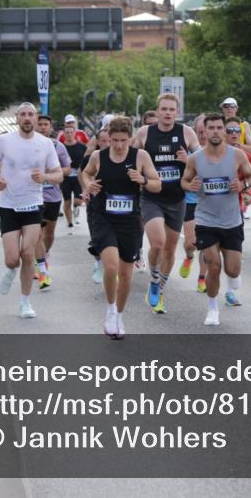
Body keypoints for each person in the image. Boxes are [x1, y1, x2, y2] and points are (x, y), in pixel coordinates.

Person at [81, 117, 161, 339]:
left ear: (130, 138)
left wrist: (143, 180)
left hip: (130, 220)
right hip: (102, 216)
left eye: (122, 141)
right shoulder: (99, 156)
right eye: (114, 140)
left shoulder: (141, 157)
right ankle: (109, 309)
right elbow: (85, 173)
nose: (117, 145)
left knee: (126, 274)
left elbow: (157, 184)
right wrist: (89, 184)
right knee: (111, 266)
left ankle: (119, 315)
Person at [0, 103, 63, 319]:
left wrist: (45, 177)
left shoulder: (46, 144)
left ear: (36, 119)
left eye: (31, 115)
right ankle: (10, 270)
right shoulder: (4, 140)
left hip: (32, 205)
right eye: (23, 115)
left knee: (28, 254)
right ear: (17, 119)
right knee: (12, 259)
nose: (27, 118)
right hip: (8, 205)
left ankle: (25, 303)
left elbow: (59, 175)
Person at [181, 113, 251, 325]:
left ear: (224, 130)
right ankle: (212, 308)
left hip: (232, 220)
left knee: (232, 269)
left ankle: (233, 279)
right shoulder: (195, 158)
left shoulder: (237, 155)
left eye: (219, 127)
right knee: (213, 264)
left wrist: (243, 186)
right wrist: (190, 186)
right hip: (206, 220)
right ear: (204, 132)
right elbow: (184, 181)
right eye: (211, 128)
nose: (215, 131)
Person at [131, 93, 199, 314]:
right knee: (157, 244)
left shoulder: (186, 133)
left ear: (176, 112)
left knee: (170, 248)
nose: (168, 113)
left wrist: (187, 160)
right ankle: (153, 278)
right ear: (157, 111)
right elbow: (129, 159)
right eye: (164, 109)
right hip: (151, 197)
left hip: (176, 198)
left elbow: (202, 161)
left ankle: (160, 288)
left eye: (172, 109)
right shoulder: (144, 133)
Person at [34, 115, 73, 290]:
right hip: (34, 196)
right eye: (40, 124)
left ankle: (45, 254)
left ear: (50, 127)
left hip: (53, 196)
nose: (42, 127)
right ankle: (40, 265)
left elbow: (67, 169)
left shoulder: (58, 146)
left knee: (49, 233)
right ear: (35, 126)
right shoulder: (29, 145)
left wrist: (52, 171)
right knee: (38, 234)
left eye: (45, 125)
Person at [179, 114, 206, 290]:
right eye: (200, 131)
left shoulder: (219, 152)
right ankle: (189, 256)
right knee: (191, 243)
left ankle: (202, 278)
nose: (204, 135)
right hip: (190, 201)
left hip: (210, 202)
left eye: (207, 130)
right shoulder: (186, 152)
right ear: (194, 131)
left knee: (207, 243)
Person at [83, 128, 111, 283]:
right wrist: (87, 187)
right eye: (103, 141)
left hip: (117, 206)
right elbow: (84, 174)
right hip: (96, 203)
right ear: (98, 142)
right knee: (97, 237)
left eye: (109, 140)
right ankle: (99, 263)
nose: (107, 144)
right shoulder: (93, 156)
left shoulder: (123, 156)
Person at [59, 123, 87, 233]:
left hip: (78, 177)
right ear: (64, 134)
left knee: (78, 201)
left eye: (71, 132)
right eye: (67, 132)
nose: (69, 134)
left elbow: (87, 161)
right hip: (65, 177)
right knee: (67, 202)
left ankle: (76, 207)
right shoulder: (61, 147)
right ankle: (70, 223)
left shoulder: (81, 147)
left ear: (75, 133)